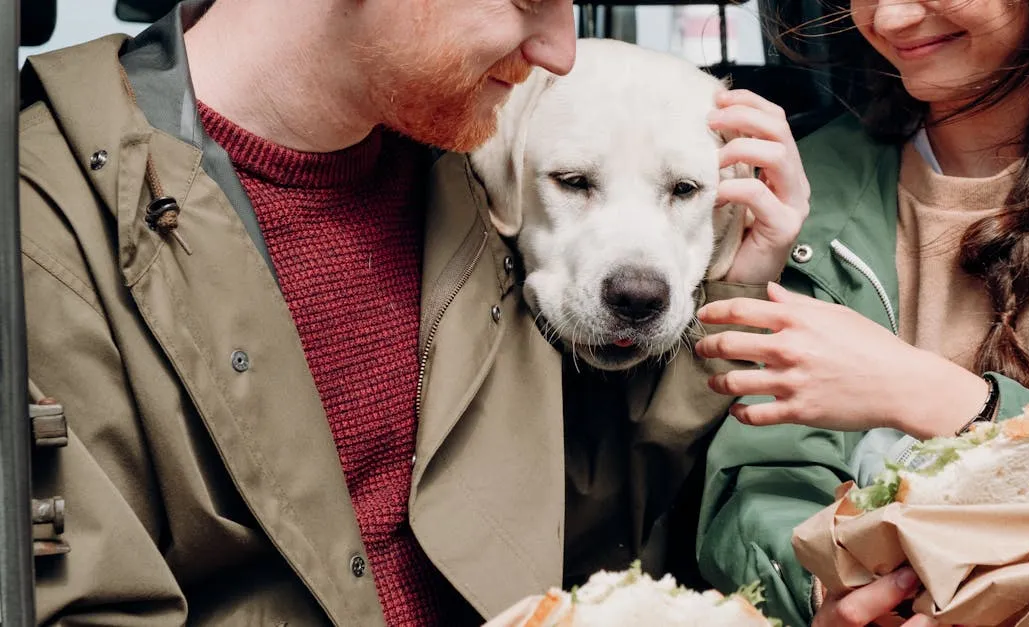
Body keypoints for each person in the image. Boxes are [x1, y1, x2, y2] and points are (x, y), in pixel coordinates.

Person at [17, 0, 807, 624]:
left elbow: (555, 514)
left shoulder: (467, 173)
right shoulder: (43, 222)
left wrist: (732, 288)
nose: (563, 53)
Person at [691, 0, 1029, 621]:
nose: (892, 19)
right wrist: (829, 592)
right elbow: (767, 473)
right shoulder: (801, 183)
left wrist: (945, 401)